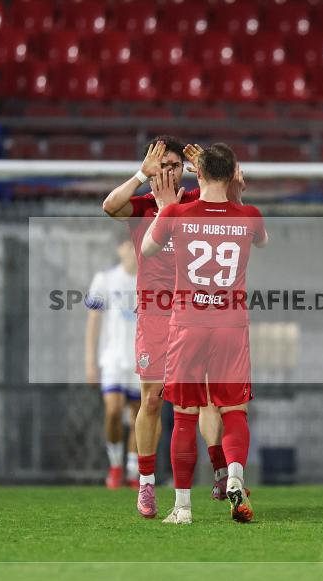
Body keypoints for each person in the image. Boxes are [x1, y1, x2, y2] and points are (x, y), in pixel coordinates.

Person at [102, 136, 228, 518]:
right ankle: (145, 485)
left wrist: (207, 169)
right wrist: (142, 173)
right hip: (155, 317)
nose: (169, 171)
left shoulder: (196, 202)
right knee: (152, 398)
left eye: (175, 165)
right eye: (162, 165)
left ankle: (220, 468)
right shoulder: (141, 208)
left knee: (205, 397)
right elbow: (109, 206)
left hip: (193, 311)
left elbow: (232, 195)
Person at [142, 143, 266, 524]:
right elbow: (262, 241)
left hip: (188, 325)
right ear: (233, 175)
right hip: (230, 324)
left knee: (184, 416)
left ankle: (181, 507)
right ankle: (233, 476)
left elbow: (148, 250)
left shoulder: (178, 212)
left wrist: (164, 210)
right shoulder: (249, 215)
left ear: (198, 174)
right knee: (234, 410)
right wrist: (238, 195)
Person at [85, 234, 141, 488]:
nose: (133, 250)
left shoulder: (152, 280)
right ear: (120, 249)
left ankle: (132, 470)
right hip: (113, 358)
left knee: (139, 414)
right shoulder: (105, 280)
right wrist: (90, 361)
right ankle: (115, 462)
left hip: (142, 358)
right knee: (113, 410)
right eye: (129, 245)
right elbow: (93, 322)